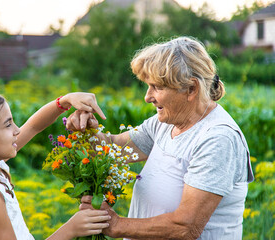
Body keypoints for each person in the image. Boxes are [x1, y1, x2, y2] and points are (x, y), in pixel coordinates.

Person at [66, 36, 254, 239]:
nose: (148, 97)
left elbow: (185, 227)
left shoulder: (218, 139)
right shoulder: (165, 123)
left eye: (157, 87)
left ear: (191, 89)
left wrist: (115, 225)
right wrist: (87, 132)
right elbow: (115, 148)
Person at [0, 88, 111, 240]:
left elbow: (33, 127)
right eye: (7, 125)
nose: (17, 130)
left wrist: (65, 101)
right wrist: (70, 229)